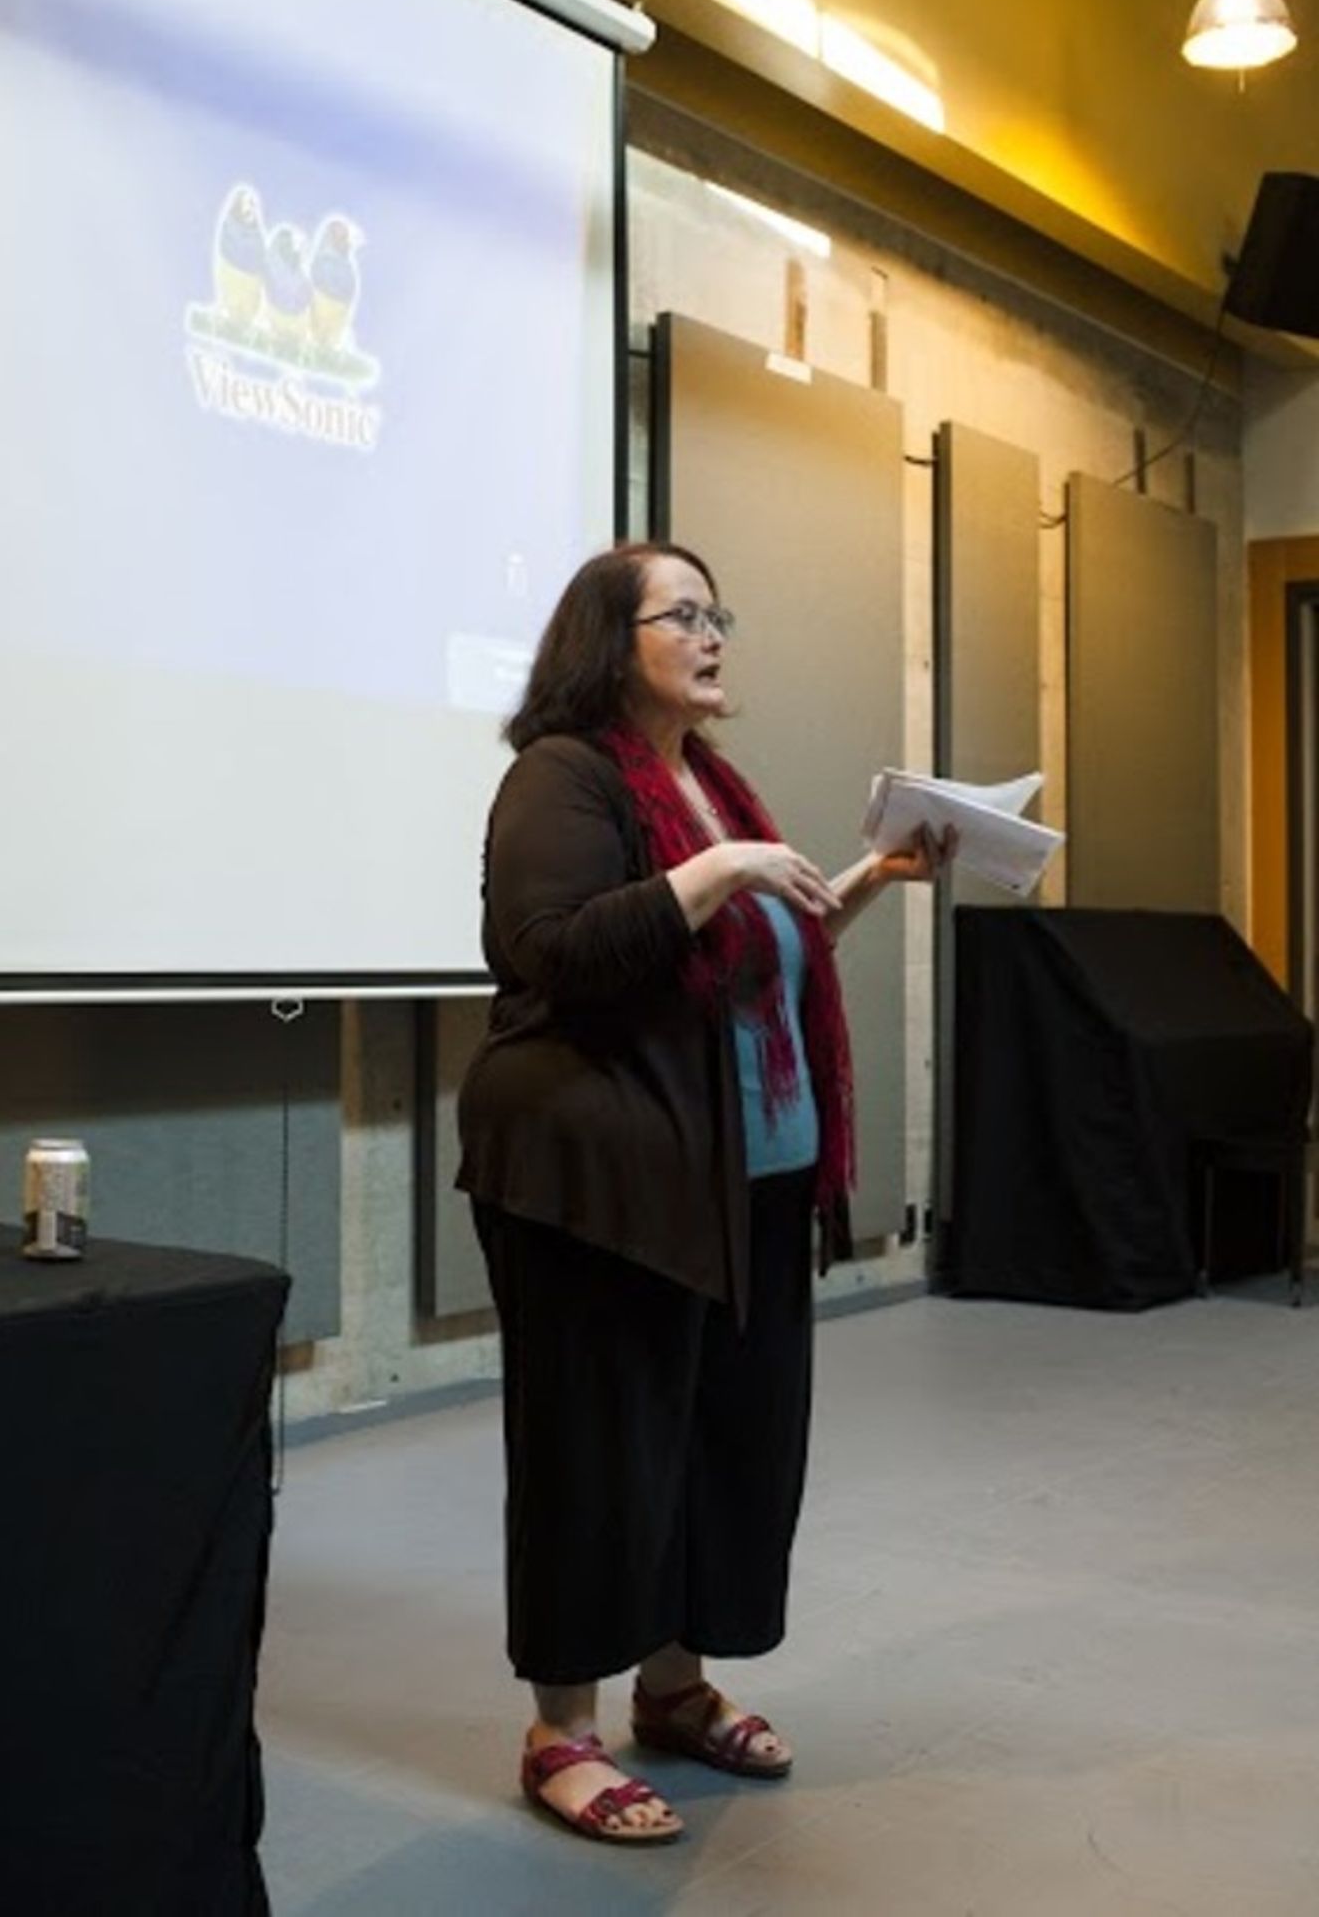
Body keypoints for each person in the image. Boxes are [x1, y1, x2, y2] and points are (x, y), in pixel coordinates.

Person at [457, 540, 950, 1845]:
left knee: (724, 1445)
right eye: (685, 614)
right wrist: (725, 870)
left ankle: (670, 1688)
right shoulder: (560, 778)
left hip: (741, 1183)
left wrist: (857, 885)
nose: (715, 632)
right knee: (599, 1451)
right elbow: (550, 948)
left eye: (718, 610)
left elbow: (741, 962)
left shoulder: (706, 782)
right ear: (610, 644)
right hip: (602, 1180)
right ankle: (561, 1729)